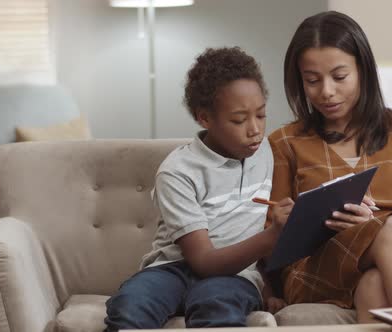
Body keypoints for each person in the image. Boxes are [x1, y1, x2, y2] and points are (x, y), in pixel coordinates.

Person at [267, 11, 392, 323]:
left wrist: (370, 227)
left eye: (339, 77)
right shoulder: (284, 142)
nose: (326, 91)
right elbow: (273, 242)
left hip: (391, 262)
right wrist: (280, 221)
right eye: (312, 80)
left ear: (363, 71)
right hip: (316, 266)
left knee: (374, 281)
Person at [104, 47, 293, 331]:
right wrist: (273, 237)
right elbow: (202, 261)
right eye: (239, 120)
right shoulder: (177, 171)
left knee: (217, 304)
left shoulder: (268, 152)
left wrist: (269, 288)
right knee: (130, 304)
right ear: (204, 118)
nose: (255, 129)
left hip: (235, 276)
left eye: (261, 115)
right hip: (171, 269)